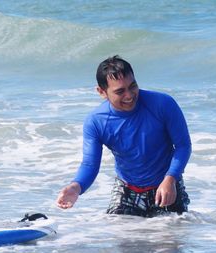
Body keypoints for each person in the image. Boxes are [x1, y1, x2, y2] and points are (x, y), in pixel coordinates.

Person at [56, 55, 192, 217]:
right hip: (126, 190)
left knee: (169, 240)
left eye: (132, 86)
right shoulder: (97, 121)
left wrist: (171, 178)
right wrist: (76, 187)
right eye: (120, 91)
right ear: (102, 92)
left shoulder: (163, 104)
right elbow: (90, 165)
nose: (129, 95)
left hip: (166, 187)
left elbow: (183, 146)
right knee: (122, 240)